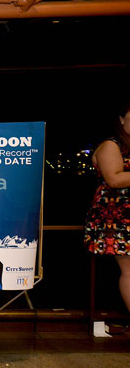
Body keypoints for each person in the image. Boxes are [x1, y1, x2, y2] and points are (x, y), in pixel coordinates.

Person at [85, 101, 130, 314]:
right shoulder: (112, 145)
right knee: (129, 270)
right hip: (119, 217)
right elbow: (114, 179)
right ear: (122, 119)